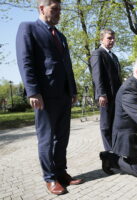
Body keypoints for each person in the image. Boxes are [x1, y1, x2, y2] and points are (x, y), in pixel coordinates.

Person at [16, 0, 82, 195]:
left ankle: (61, 173)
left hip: (63, 94)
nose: (58, 13)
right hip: (44, 95)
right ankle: (50, 178)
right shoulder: (28, 28)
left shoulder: (60, 35)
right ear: (42, 8)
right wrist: (33, 91)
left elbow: (66, 65)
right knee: (46, 138)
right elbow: (25, 60)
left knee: (62, 137)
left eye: (60, 10)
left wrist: (72, 90)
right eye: (55, 10)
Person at [90, 29, 122, 162]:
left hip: (117, 96)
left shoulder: (113, 56)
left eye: (113, 38)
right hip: (106, 96)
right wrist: (101, 94)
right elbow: (97, 76)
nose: (112, 40)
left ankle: (116, 150)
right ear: (101, 39)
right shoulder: (98, 54)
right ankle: (109, 153)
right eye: (109, 38)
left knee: (116, 123)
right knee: (106, 125)